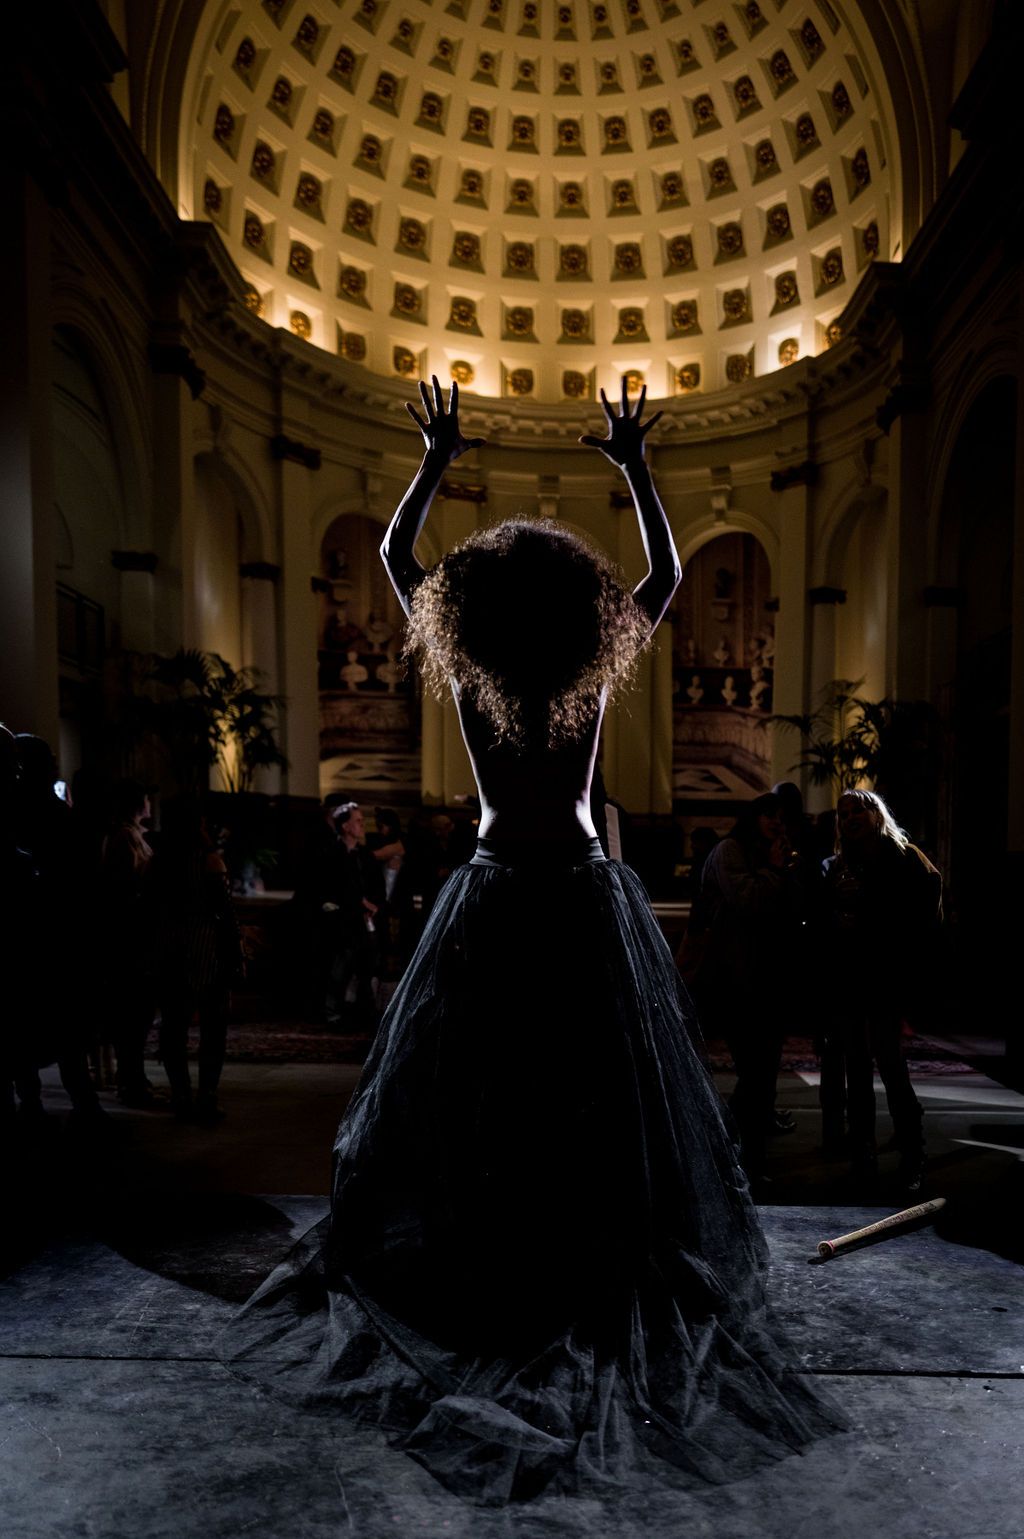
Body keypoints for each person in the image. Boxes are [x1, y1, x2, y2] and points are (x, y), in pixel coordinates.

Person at [221, 379, 841, 1508]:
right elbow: (666, 577)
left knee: (486, 1093)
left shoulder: (475, 677)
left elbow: (398, 561)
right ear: (576, 612)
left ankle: (498, 1260)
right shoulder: (585, 684)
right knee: (591, 1095)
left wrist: (431, 462)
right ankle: (577, 1258)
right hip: (582, 891)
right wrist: (636, 468)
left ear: (483, 612)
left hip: (501, 889)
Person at [822, 788, 942, 1193]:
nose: (850, 818)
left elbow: (927, 901)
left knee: (890, 1065)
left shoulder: (904, 857)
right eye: (843, 814)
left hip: (886, 975)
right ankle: (863, 1156)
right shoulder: (842, 863)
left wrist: (879, 918)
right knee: (856, 1069)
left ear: (877, 815)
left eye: (858, 810)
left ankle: (913, 1154)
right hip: (851, 977)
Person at [693, 792, 804, 1182]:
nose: (777, 824)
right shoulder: (731, 851)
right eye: (769, 816)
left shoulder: (774, 854)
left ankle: (745, 1157)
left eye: (782, 818)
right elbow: (747, 900)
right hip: (735, 978)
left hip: (768, 978)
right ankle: (727, 1151)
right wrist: (774, 869)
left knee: (764, 1073)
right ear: (753, 818)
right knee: (754, 1073)